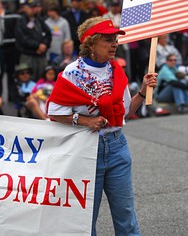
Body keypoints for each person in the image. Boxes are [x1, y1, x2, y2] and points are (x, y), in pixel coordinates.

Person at [47, 17, 158, 236]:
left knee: (126, 216)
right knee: (86, 221)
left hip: (117, 147)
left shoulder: (116, 71)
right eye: (108, 39)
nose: (115, 44)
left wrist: (143, 90)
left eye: (115, 39)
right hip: (85, 150)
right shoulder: (71, 72)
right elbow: (55, 111)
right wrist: (85, 121)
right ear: (91, 43)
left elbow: (124, 112)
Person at [15, 0, 52, 81]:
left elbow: (48, 33)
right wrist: (37, 46)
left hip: (41, 55)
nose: (34, 10)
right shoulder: (21, 21)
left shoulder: (39, 20)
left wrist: (45, 45)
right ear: (25, 8)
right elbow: (23, 39)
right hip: (28, 55)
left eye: (35, 7)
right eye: (31, 7)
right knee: (28, 79)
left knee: (42, 78)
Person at [0, 0, 21, 101]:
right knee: (0, 72)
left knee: (11, 72)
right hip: (0, 48)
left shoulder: (10, 15)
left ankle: (11, 96)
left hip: (10, 47)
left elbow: (15, 29)